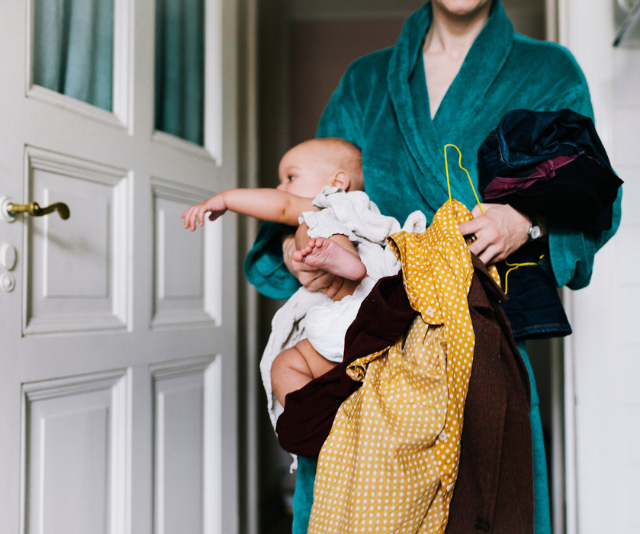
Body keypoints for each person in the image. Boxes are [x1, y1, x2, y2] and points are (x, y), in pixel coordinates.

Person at [244, 1, 622, 533]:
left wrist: (525, 219)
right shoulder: (366, 81)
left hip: (478, 344)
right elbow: (308, 198)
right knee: (352, 511)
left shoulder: (547, 71)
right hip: (360, 348)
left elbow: (592, 199)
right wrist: (296, 250)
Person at [182, 137, 422, 410]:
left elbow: (282, 205)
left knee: (310, 225)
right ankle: (314, 418)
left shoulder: (335, 204)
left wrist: (226, 199)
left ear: (338, 182)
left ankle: (345, 258)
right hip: (343, 326)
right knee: (283, 364)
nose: (281, 187)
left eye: (291, 177)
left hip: (366, 293)